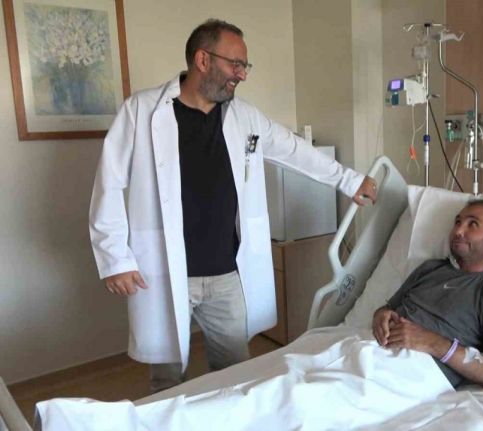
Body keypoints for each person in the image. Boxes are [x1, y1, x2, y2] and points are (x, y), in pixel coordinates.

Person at [89, 19, 377, 392]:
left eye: (245, 66)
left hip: (227, 271)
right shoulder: (142, 111)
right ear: (203, 60)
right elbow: (109, 183)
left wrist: (349, 180)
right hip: (163, 268)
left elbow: (294, 150)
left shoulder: (244, 116)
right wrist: (115, 258)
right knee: (167, 379)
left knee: (236, 372)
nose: (242, 75)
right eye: (235, 64)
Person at [372, 200, 483, 388]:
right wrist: (380, 315)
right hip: (371, 349)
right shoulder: (430, 269)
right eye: (457, 222)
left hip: (408, 372)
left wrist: (432, 343)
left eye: (472, 224)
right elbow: (388, 308)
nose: (458, 231)